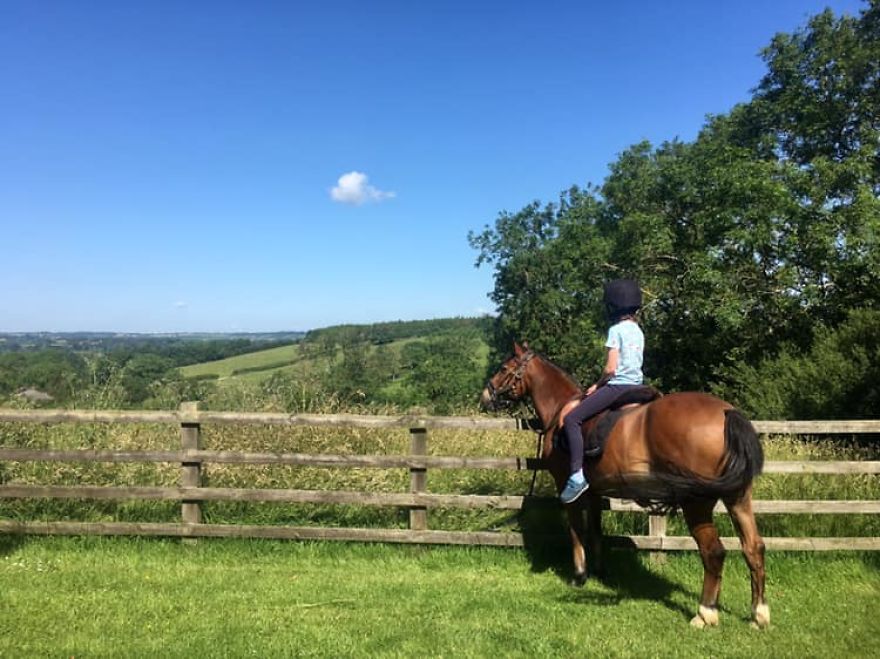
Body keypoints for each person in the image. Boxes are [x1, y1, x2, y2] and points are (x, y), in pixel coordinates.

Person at [560, 279, 645, 504]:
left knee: (571, 419)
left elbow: (610, 368)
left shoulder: (615, 330)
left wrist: (598, 385)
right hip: (638, 387)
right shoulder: (638, 331)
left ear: (613, 306)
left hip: (618, 386)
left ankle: (577, 476)